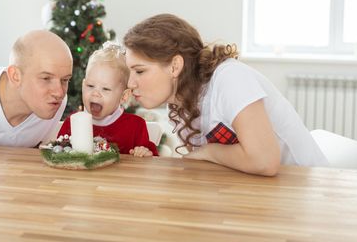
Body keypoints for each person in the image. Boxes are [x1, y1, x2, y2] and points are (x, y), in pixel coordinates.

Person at [123, 14, 328, 175]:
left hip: (306, 191)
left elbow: (265, 161)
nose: (130, 83)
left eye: (139, 71)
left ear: (175, 66)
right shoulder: (177, 104)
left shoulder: (230, 78)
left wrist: (208, 151)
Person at [57, 43, 158, 157]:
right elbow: (58, 154)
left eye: (105, 89)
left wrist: (145, 153)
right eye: (90, 86)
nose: (95, 93)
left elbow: (151, 163)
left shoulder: (136, 127)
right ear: (83, 85)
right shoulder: (72, 123)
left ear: (123, 96)